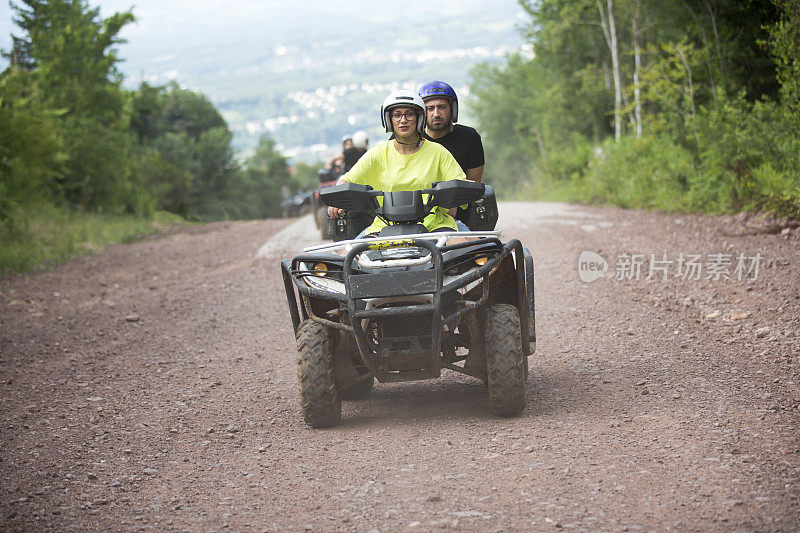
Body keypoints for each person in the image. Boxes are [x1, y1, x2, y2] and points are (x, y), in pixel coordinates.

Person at [327, 90, 466, 237]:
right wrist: (338, 198)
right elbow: (347, 179)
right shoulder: (378, 153)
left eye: (409, 114)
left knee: (477, 251)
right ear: (388, 119)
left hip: (435, 227)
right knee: (351, 257)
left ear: (419, 118)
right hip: (384, 227)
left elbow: (460, 182)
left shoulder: (438, 152)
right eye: (397, 115)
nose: (403, 120)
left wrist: (459, 194)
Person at [418, 80, 484, 183]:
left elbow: (474, 186)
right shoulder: (409, 139)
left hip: (458, 197)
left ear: (452, 110)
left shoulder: (469, 138)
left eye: (442, 107)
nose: (436, 114)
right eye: (430, 108)